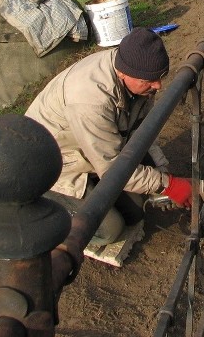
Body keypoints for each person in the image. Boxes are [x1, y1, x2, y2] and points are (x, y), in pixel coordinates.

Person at [25, 26, 193, 245]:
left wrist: (162, 173)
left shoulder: (139, 76)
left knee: (136, 212)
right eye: (150, 81)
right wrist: (168, 185)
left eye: (160, 77)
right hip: (53, 165)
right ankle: (42, 207)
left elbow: (143, 133)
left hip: (90, 150)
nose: (158, 86)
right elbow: (112, 168)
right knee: (109, 230)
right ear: (123, 73)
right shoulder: (90, 100)